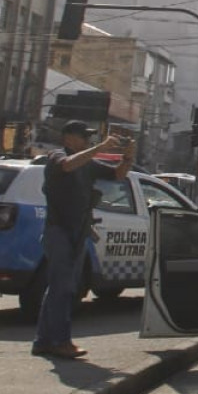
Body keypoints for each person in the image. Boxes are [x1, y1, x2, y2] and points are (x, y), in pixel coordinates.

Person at [36, 121, 132, 359]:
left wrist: (128, 156)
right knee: (63, 288)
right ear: (68, 138)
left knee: (62, 288)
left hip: (79, 232)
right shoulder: (57, 157)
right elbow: (69, 165)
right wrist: (100, 147)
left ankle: (44, 341)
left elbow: (117, 174)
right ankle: (60, 341)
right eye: (83, 136)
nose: (88, 140)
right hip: (59, 231)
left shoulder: (88, 165)